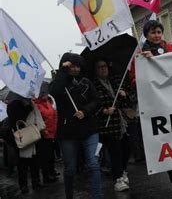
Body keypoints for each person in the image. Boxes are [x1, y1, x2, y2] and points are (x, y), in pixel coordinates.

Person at [139, 20, 172, 199]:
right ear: (146, 35)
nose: (157, 35)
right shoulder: (139, 55)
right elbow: (134, 80)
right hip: (156, 106)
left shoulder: (171, 49)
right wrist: (143, 64)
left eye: (159, 31)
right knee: (166, 141)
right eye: (153, 32)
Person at [49, 53, 101, 199]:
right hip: (67, 132)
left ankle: (97, 196)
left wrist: (85, 111)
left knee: (93, 163)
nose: (76, 69)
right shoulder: (58, 83)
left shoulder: (86, 82)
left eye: (78, 66)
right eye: (72, 66)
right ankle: (69, 195)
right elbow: (54, 93)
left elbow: (97, 100)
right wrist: (63, 72)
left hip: (89, 129)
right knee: (70, 169)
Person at [93, 59, 132, 192]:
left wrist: (124, 94)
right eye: (99, 67)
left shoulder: (116, 81)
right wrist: (103, 111)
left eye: (105, 66)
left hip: (122, 122)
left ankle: (122, 170)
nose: (103, 69)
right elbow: (92, 105)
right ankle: (118, 178)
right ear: (96, 70)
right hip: (107, 124)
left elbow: (127, 100)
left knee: (126, 148)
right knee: (115, 151)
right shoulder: (93, 85)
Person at [6, 98, 45, 194]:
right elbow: (15, 119)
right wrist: (27, 107)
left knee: (35, 161)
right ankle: (23, 185)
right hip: (21, 137)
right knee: (22, 164)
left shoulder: (31, 103)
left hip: (33, 135)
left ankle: (36, 182)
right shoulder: (13, 104)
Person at [34, 82, 59, 184]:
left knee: (51, 155)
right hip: (43, 134)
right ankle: (46, 176)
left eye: (45, 92)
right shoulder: (36, 104)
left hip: (52, 132)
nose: (45, 94)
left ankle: (51, 172)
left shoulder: (48, 102)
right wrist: (44, 131)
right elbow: (38, 120)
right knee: (45, 157)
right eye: (42, 92)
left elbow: (54, 114)